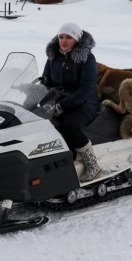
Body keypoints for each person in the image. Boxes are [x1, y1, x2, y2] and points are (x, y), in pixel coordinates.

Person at [42, 22, 101, 182]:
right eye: (61, 37)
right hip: (58, 101)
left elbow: (86, 89)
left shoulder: (87, 58)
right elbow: (46, 82)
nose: (64, 40)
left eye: (68, 37)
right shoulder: (53, 56)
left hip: (83, 103)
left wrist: (62, 105)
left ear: (77, 39)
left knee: (69, 126)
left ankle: (93, 166)